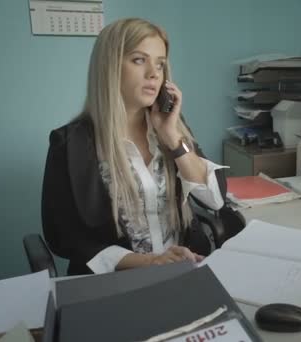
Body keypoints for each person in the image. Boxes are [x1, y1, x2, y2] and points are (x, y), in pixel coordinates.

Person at [41, 18, 227, 275]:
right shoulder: (71, 143)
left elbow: (214, 201)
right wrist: (148, 262)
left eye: (160, 64)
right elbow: (63, 236)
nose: (154, 73)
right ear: (110, 67)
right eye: (139, 60)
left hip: (183, 267)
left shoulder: (172, 127)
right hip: (116, 280)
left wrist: (172, 137)